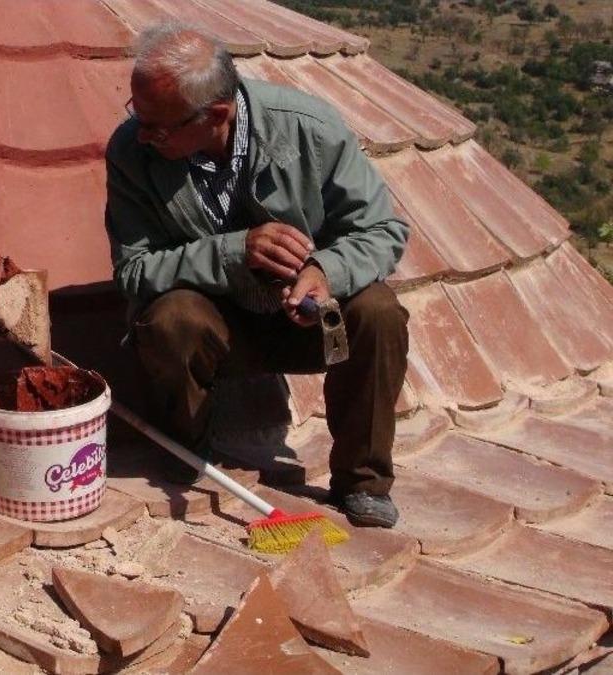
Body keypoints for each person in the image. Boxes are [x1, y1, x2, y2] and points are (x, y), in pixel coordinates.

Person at [105, 23, 410, 527]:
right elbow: (135, 271)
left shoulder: (309, 129)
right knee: (171, 320)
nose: (142, 134)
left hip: (309, 323)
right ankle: (190, 454)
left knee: (378, 312)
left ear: (216, 115)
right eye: (137, 116)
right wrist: (232, 253)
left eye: (158, 127)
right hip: (218, 328)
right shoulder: (132, 154)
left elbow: (382, 230)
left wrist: (324, 270)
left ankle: (364, 481)